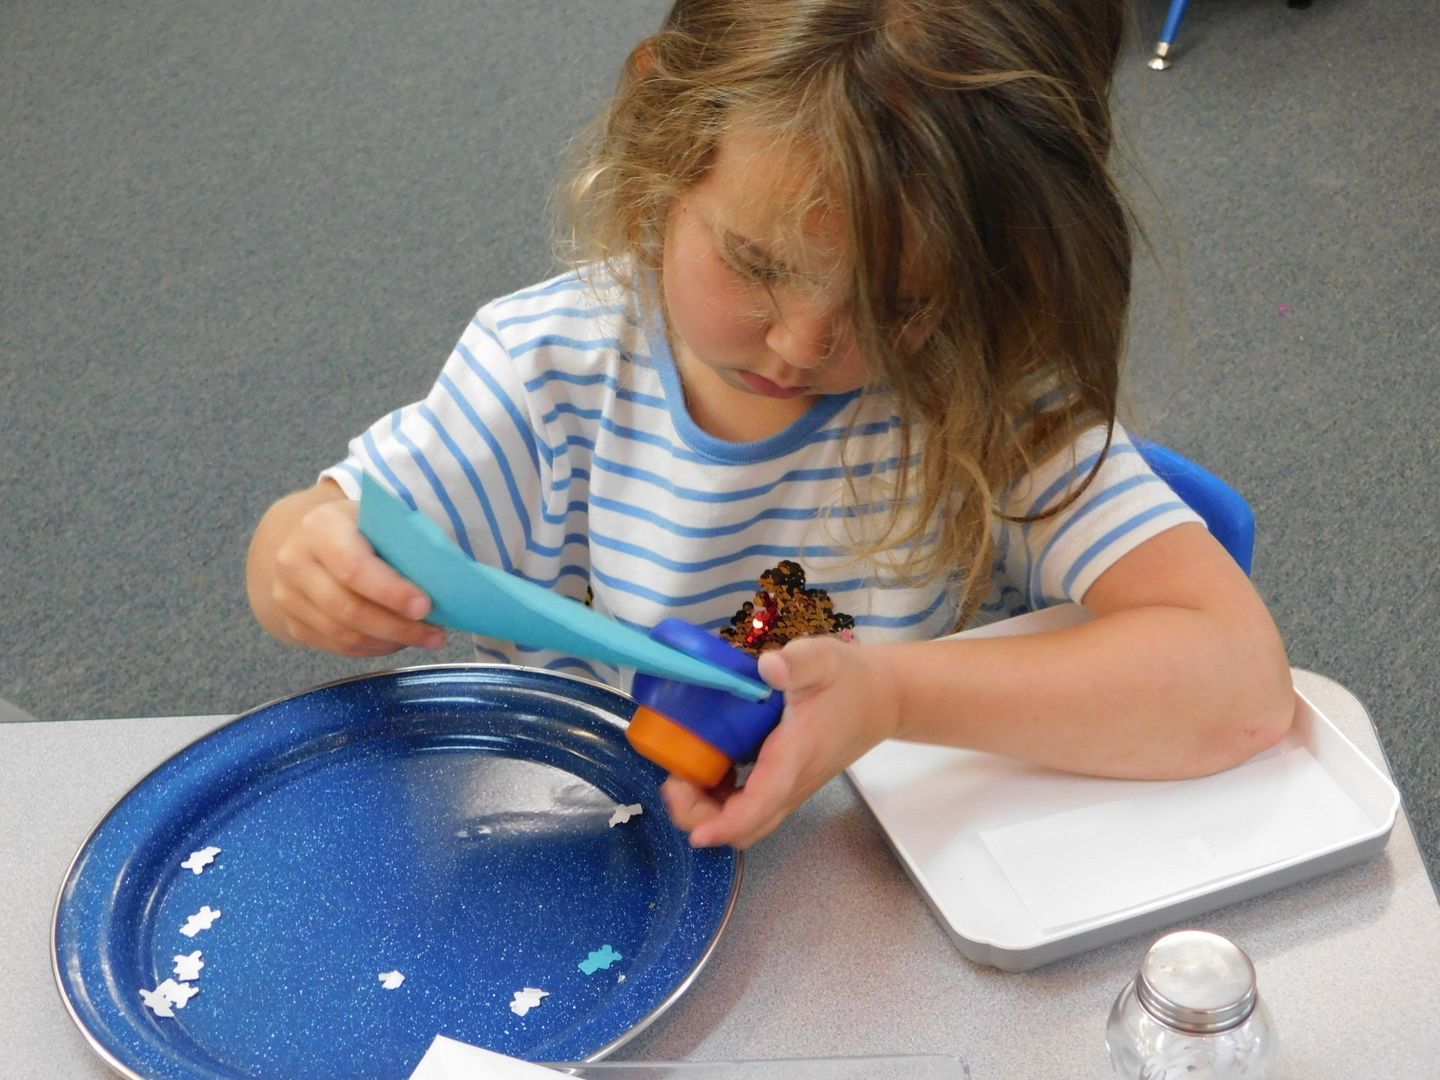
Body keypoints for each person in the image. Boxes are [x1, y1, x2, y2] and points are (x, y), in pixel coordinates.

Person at [246, 0, 1294, 850]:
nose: (800, 343)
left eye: (898, 305)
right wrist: (303, 559)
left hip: (893, 875)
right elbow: (319, 533)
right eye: (756, 265)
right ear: (667, 139)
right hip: (623, 849)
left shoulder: (981, 392)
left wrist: (887, 695)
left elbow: (1240, 688)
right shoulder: (547, 371)